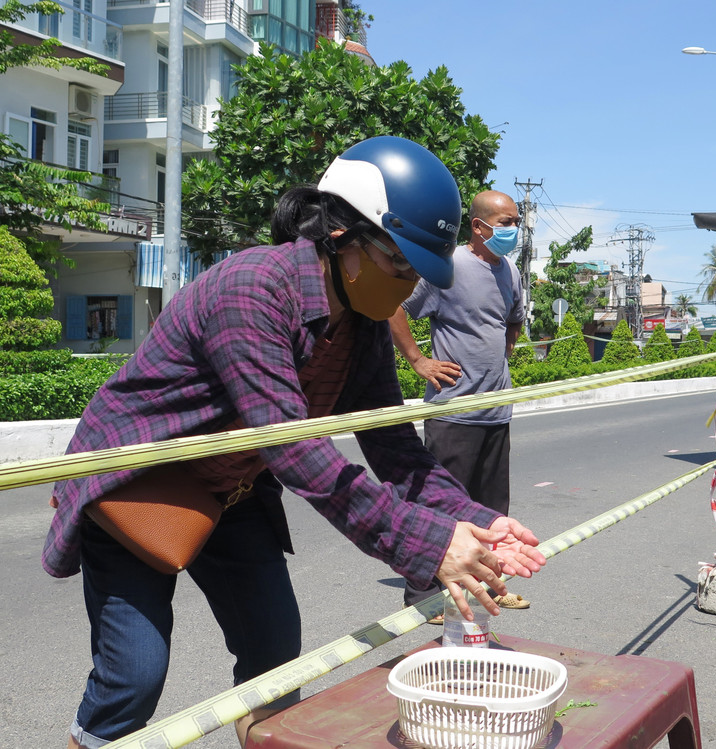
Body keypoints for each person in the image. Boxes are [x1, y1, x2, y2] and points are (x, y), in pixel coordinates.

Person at [44, 137, 546, 749]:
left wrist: (478, 519)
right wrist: (427, 542)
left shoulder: (360, 321)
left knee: (275, 657)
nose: (409, 285)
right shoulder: (252, 289)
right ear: (343, 237)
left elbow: (394, 447)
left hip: (234, 488)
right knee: (134, 678)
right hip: (138, 483)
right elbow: (296, 451)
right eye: (401, 265)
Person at [390, 190, 530, 623]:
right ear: (478, 225)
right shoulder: (447, 268)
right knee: (439, 506)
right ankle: (422, 596)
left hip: (496, 410)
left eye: (516, 222)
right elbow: (394, 307)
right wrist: (418, 360)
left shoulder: (509, 270)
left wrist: (501, 358)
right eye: (505, 222)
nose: (513, 230)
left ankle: (489, 585)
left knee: (491, 510)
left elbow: (514, 319)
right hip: (453, 412)